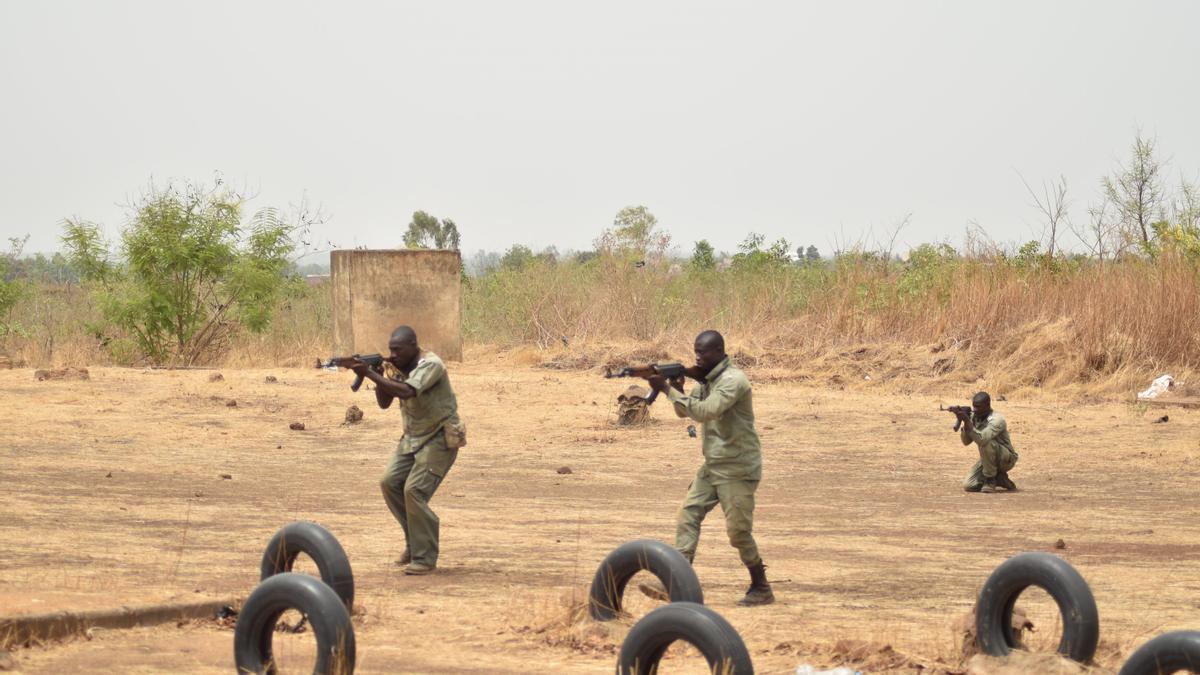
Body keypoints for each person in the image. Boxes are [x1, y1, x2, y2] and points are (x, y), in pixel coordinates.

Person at [641, 330, 775, 606]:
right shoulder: (706, 380)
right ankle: (674, 581)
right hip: (713, 463)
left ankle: (761, 586)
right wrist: (676, 387)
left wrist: (666, 389)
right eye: (696, 352)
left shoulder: (732, 381)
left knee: (738, 533)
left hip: (738, 466)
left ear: (719, 351)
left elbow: (704, 412)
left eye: (703, 352)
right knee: (688, 515)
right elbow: (685, 411)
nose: (698, 357)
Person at [347, 325, 466, 575]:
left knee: (414, 491)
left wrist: (370, 373)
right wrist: (379, 375)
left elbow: (408, 391)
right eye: (391, 350)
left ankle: (424, 557)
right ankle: (414, 542)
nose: (394, 354)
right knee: (389, 483)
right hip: (412, 438)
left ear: (414, 345)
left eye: (398, 350)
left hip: (439, 436)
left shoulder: (431, 364)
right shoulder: (397, 369)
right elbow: (384, 403)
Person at [957, 391, 1018, 493]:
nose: (975, 410)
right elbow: (966, 442)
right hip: (988, 459)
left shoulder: (997, 419)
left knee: (986, 443)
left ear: (987, 405)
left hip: (1006, 459)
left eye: (978, 407)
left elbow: (982, 439)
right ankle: (999, 478)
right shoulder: (975, 418)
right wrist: (966, 423)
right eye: (974, 406)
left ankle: (990, 480)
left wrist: (968, 422)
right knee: (968, 485)